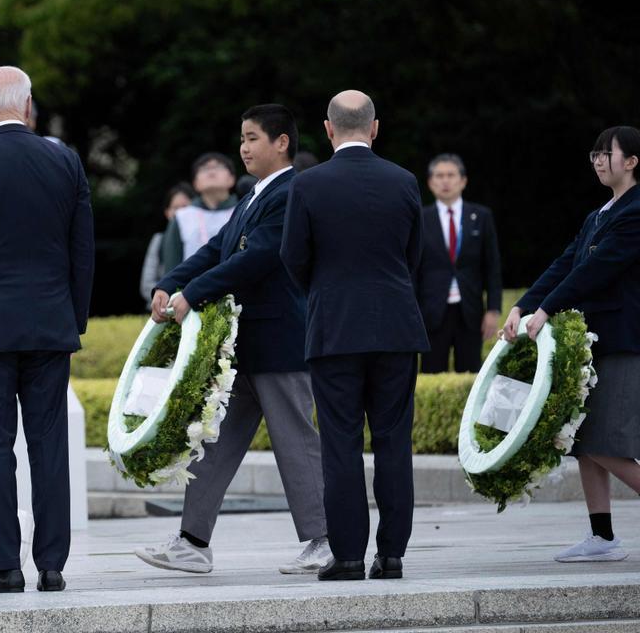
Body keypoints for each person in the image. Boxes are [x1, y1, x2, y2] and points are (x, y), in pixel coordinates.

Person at [134, 104, 330, 576]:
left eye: (252, 138)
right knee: (213, 442)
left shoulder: (291, 192)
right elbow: (215, 249)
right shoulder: (253, 196)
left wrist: (192, 294)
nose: (242, 148)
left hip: (280, 341)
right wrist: (171, 281)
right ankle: (192, 542)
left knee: (295, 443)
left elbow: (259, 256)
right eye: (241, 138)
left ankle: (327, 542)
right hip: (244, 347)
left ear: (281, 142)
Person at [0, 65, 94, 594]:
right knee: (49, 446)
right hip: (50, 323)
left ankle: (4, 565)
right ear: (29, 105)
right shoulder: (64, 161)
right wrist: (73, 319)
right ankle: (52, 564)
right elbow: (82, 250)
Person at [280, 90, 428, 581]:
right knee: (393, 441)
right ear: (375, 127)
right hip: (396, 326)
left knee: (340, 443)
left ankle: (346, 556)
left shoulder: (308, 184)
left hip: (334, 328)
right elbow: (413, 255)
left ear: (327, 129)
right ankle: (392, 555)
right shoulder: (404, 181)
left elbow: (292, 257)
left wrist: (324, 292)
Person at [502, 125, 640, 563]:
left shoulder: (636, 212)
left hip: (622, 341)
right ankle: (602, 538)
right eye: (595, 154)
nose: (599, 160)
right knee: (583, 441)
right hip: (592, 343)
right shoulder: (598, 215)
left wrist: (547, 311)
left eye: (608, 153)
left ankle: (604, 538)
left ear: (632, 161)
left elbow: (596, 271)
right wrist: (524, 306)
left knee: (605, 443)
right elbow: (565, 264)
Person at [417, 154, 503, 373]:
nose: (445, 181)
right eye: (439, 176)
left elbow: (492, 266)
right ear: (430, 182)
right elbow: (413, 269)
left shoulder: (481, 216)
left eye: (451, 175)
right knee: (432, 374)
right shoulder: (420, 219)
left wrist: (493, 309)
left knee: (472, 374)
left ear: (463, 181)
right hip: (432, 312)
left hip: (470, 311)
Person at [161, 153, 244, 269]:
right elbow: (171, 267)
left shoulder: (245, 211)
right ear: (195, 183)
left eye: (218, 167)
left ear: (231, 179)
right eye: (204, 168)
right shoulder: (182, 217)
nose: (211, 172)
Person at [139, 183, 193, 303]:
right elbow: (147, 283)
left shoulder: (201, 237)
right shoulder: (159, 240)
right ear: (167, 212)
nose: (180, 213)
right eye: (175, 208)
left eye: (185, 207)